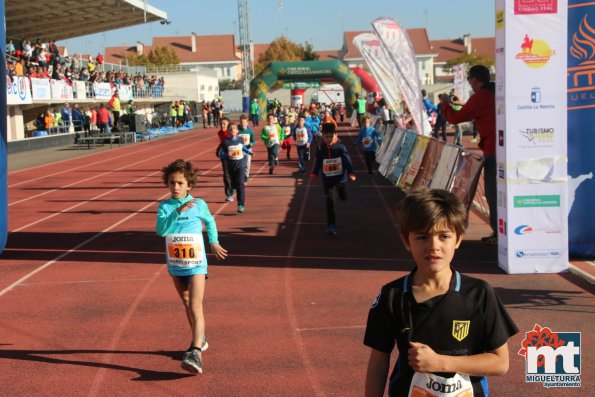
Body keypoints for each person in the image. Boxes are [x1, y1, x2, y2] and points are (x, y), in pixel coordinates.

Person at [363, 188, 518, 397]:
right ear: (406, 241)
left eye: (444, 236)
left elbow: (500, 363)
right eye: (422, 237)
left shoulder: (479, 294)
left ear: (458, 239)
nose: (433, 246)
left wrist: (440, 363)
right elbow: (378, 363)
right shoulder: (392, 296)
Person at [156, 159, 228, 374]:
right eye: (171, 183)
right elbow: (161, 231)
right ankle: (201, 338)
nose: (175, 187)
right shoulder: (164, 207)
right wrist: (177, 212)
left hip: (196, 263)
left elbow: (210, 222)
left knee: (195, 305)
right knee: (186, 302)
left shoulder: (199, 204)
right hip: (176, 263)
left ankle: (195, 351)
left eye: (179, 183)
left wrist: (213, 242)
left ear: (189, 185)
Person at [441, 65, 497, 244]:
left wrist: (445, 104)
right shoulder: (496, 92)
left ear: (474, 79)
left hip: (493, 149)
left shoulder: (480, 97)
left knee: (493, 193)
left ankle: (499, 232)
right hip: (506, 148)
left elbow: (455, 118)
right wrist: (462, 103)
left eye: (469, 81)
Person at [309, 122, 356, 235]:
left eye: (331, 136)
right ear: (323, 136)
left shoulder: (340, 147)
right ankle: (331, 225)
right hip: (328, 179)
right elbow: (318, 161)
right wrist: (315, 173)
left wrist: (350, 172)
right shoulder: (321, 148)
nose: (328, 139)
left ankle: (343, 193)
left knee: (343, 197)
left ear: (335, 135)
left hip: (340, 179)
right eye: (326, 137)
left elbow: (347, 160)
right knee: (330, 201)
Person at [218, 124, 254, 213]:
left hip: (241, 165)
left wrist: (249, 152)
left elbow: (243, 147)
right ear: (228, 132)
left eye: (234, 128)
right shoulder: (225, 143)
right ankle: (233, 188)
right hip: (231, 166)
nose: (232, 130)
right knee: (234, 184)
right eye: (230, 129)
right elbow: (220, 154)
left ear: (237, 131)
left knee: (240, 184)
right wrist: (227, 154)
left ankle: (241, 204)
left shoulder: (240, 139)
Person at [215, 117, 235, 201]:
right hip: (225, 156)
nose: (222, 125)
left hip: (234, 155)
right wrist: (219, 149)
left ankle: (234, 186)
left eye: (224, 124)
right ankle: (229, 194)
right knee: (226, 174)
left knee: (233, 174)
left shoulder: (231, 132)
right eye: (221, 124)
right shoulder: (219, 133)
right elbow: (222, 143)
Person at [237, 115, 256, 182]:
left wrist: (252, 144)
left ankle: (246, 175)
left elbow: (253, 140)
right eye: (241, 122)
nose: (243, 124)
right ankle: (240, 174)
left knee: (247, 163)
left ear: (247, 123)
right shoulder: (237, 130)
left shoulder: (249, 131)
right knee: (240, 164)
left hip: (248, 149)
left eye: (244, 122)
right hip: (239, 149)